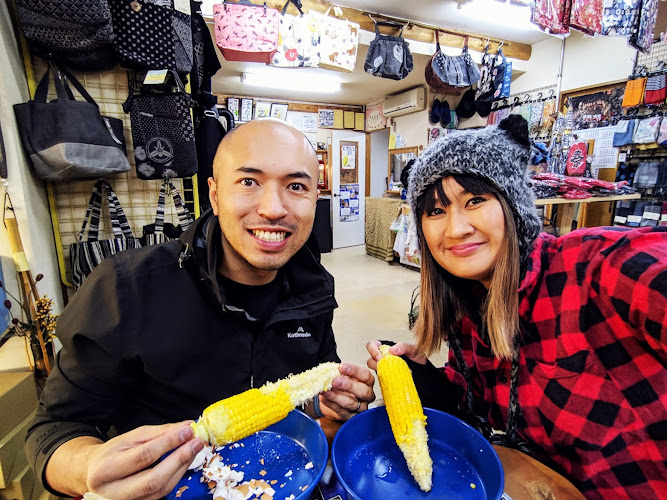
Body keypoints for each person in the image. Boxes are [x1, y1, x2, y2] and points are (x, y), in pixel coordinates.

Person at [27, 118, 376, 499]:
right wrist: (87, 467)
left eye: (296, 186)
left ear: (315, 198)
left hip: (284, 479)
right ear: (213, 194)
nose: (274, 209)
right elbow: (54, 430)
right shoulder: (126, 287)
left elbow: (316, 384)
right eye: (248, 182)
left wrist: (334, 399)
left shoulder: (315, 286)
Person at [367, 115, 667, 498]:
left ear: (512, 205)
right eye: (436, 211)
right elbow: (472, 404)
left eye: (475, 200)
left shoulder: (602, 267)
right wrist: (420, 377)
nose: (456, 228)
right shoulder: (465, 306)